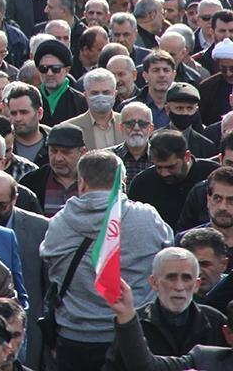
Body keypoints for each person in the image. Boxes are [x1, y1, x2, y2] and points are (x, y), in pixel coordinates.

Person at [41, 150, 173, 371]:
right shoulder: (147, 218)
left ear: (81, 182)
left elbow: (48, 262)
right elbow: (167, 256)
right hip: (133, 335)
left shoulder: (60, 223)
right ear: (122, 182)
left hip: (75, 337)